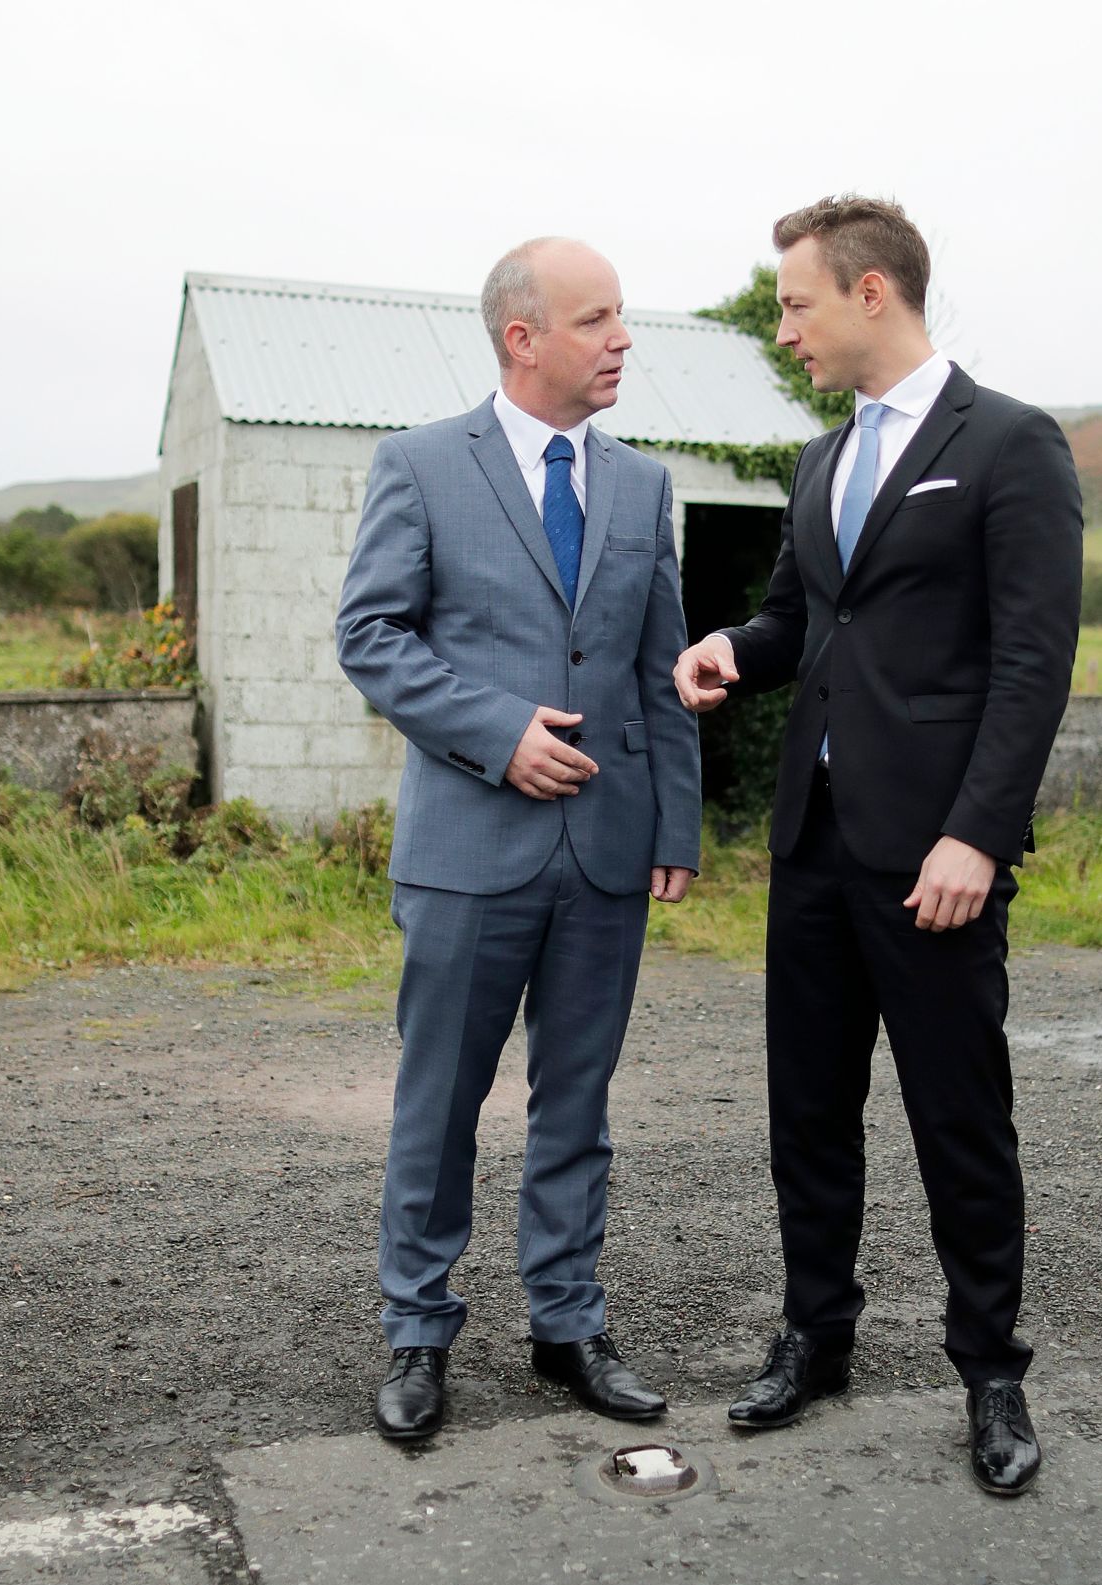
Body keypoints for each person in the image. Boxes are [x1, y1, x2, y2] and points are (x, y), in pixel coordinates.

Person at [674, 196, 1081, 1495]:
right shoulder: (820, 461)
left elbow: (1031, 662)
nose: (782, 327)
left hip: (935, 859)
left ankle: (992, 1373)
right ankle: (817, 1335)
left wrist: (977, 834)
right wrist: (736, 647)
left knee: (958, 1114)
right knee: (810, 1108)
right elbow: (805, 619)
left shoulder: (1011, 443)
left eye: (794, 303)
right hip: (815, 842)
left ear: (868, 295)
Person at [337, 238, 701, 1443]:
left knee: (578, 1100)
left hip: (606, 851)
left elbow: (659, 669)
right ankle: (417, 1331)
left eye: (622, 318)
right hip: (467, 849)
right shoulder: (423, 465)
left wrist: (676, 823)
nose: (621, 340)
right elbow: (373, 636)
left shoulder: (644, 486)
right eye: (597, 319)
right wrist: (499, 733)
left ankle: (566, 1322)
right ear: (522, 336)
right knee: (439, 1101)